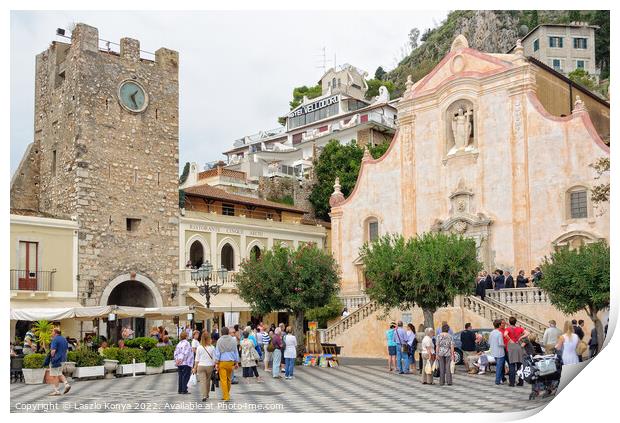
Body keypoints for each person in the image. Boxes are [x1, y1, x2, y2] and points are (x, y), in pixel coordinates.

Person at [214, 327, 240, 401]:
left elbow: (217, 353)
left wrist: (216, 363)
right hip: (231, 362)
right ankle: (227, 393)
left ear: (221, 333)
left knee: (223, 380)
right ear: (228, 332)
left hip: (222, 362)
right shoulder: (233, 340)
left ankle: (226, 396)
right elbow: (236, 352)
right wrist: (237, 362)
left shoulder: (219, 341)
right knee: (229, 379)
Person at [45, 328, 70, 396]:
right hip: (63, 359)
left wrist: (52, 358)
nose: (51, 333)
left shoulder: (55, 339)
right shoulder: (64, 339)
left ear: (55, 332)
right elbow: (67, 350)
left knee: (54, 375)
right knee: (59, 373)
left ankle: (56, 391)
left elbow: (53, 351)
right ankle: (66, 384)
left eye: (52, 331)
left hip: (56, 360)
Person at [192, 331, 216, 402]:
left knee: (202, 381)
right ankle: (207, 394)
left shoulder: (199, 347)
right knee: (208, 381)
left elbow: (197, 359)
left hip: (200, 366)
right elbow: (214, 359)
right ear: (209, 338)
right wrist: (216, 365)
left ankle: (204, 395)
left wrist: (195, 368)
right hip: (209, 366)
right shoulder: (212, 347)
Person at [505, 316, 528, 387]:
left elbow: (505, 334)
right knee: (520, 365)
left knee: (511, 365)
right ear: (515, 322)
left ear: (509, 322)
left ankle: (512, 383)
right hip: (519, 346)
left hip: (511, 347)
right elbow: (527, 333)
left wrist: (510, 339)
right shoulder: (519, 328)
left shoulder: (508, 328)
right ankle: (521, 382)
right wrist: (521, 337)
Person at [174, 331, 194, 395]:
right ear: (186, 336)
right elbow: (186, 352)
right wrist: (182, 359)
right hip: (186, 362)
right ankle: (184, 390)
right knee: (186, 376)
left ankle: (180, 389)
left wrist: (177, 360)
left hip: (179, 363)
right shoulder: (187, 343)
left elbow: (175, 353)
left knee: (180, 376)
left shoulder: (179, 344)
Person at [489, 319, 506, 385]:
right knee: (499, 367)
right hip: (500, 352)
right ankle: (497, 380)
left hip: (494, 351)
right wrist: (505, 345)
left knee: (499, 366)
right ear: (499, 325)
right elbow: (500, 343)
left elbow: (489, 342)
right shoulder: (499, 333)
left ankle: (501, 379)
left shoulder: (491, 333)